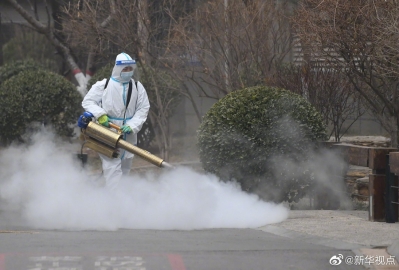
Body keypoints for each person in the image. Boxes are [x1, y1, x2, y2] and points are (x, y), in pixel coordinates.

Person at [82, 52, 150, 189]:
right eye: (125, 69)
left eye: (130, 68)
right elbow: (88, 101)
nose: (128, 71)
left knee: (125, 168)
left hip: (129, 135)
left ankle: (122, 200)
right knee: (112, 169)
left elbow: (143, 108)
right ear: (118, 69)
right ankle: (114, 203)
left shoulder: (137, 87)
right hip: (109, 132)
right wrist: (101, 115)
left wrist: (132, 125)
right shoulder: (104, 85)